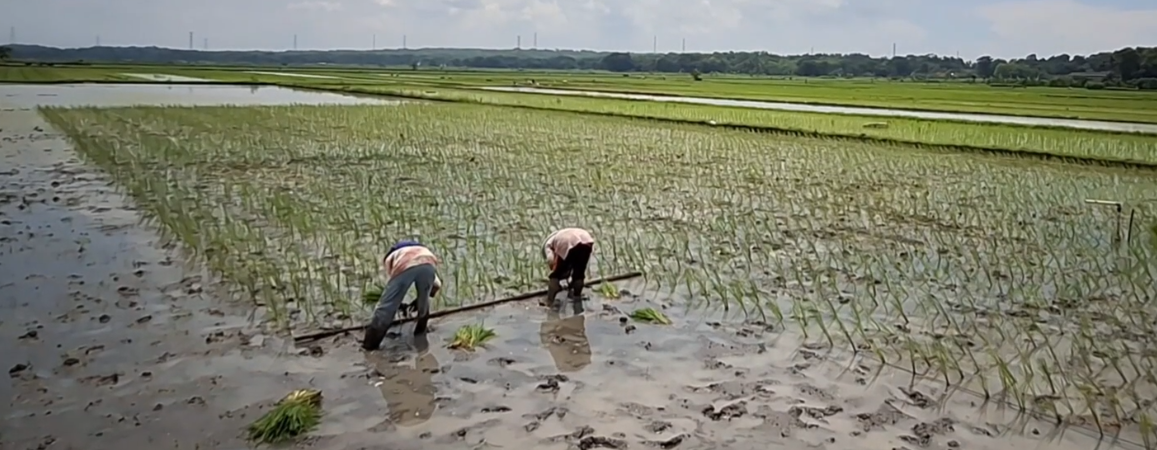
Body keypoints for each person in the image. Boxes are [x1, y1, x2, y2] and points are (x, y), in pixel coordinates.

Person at [363, 240, 442, 351]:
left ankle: (370, 345)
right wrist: (420, 299)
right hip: (429, 261)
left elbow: (393, 291)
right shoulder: (423, 254)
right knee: (424, 305)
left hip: (405, 263)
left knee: (385, 308)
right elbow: (436, 285)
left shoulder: (390, 259)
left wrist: (397, 304)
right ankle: (420, 334)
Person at [543, 227, 595, 304]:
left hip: (568, 242)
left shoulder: (548, 244)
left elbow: (551, 260)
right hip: (587, 241)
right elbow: (571, 259)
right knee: (579, 273)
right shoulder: (563, 233)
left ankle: (549, 301)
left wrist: (555, 270)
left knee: (555, 275)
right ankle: (576, 295)